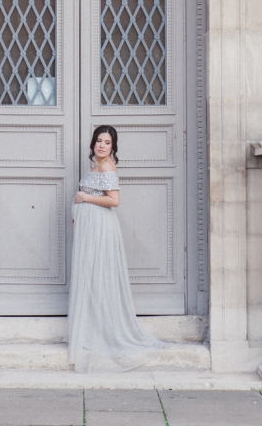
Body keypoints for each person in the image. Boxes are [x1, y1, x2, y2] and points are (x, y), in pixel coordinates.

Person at [67, 125, 165, 373]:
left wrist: (85, 199)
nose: (101, 145)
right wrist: (78, 212)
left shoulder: (108, 166)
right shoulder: (95, 167)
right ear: (93, 143)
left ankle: (107, 335)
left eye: (107, 142)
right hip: (90, 227)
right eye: (98, 141)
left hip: (101, 228)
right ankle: (93, 331)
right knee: (90, 279)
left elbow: (114, 200)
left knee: (99, 278)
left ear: (113, 146)